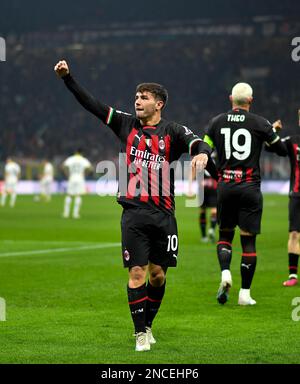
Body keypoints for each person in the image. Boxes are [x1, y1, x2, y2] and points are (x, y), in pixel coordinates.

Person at [54, 59, 216, 351]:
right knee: (137, 273)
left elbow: (197, 143)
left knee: (158, 275)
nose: (137, 101)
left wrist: (202, 154)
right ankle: (140, 333)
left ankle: (149, 324)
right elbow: (92, 104)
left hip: (165, 215)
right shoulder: (125, 124)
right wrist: (69, 79)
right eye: (136, 97)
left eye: (144, 97)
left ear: (159, 104)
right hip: (134, 214)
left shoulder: (173, 131)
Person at [204, 82, 287, 306]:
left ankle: (225, 274)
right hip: (250, 188)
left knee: (225, 236)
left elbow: (203, 152)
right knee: (248, 243)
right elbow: (280, 150)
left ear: (231, 98)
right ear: (251, 100)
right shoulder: (260, 123)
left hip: (226, 187)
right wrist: (272, 132)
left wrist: (218, 175)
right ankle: (245, 294)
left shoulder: (216, 122)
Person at [266, 120, 300, 287]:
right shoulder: (292, 141)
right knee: (294, 234)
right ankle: (293, 275)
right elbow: (269, 146)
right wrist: (273, 130)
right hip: (297, 194)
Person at [62, 149, 92, 219]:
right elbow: (90, 168)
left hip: (72, 177)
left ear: (75, 152)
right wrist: (85, 174)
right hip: (80, 178)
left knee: (69, 195)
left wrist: (67, 175)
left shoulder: (70, 159)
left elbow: (63, 166)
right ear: (81, 153)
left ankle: (66, 214)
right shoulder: (83, 159)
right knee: (78, 195)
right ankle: (75, 214)